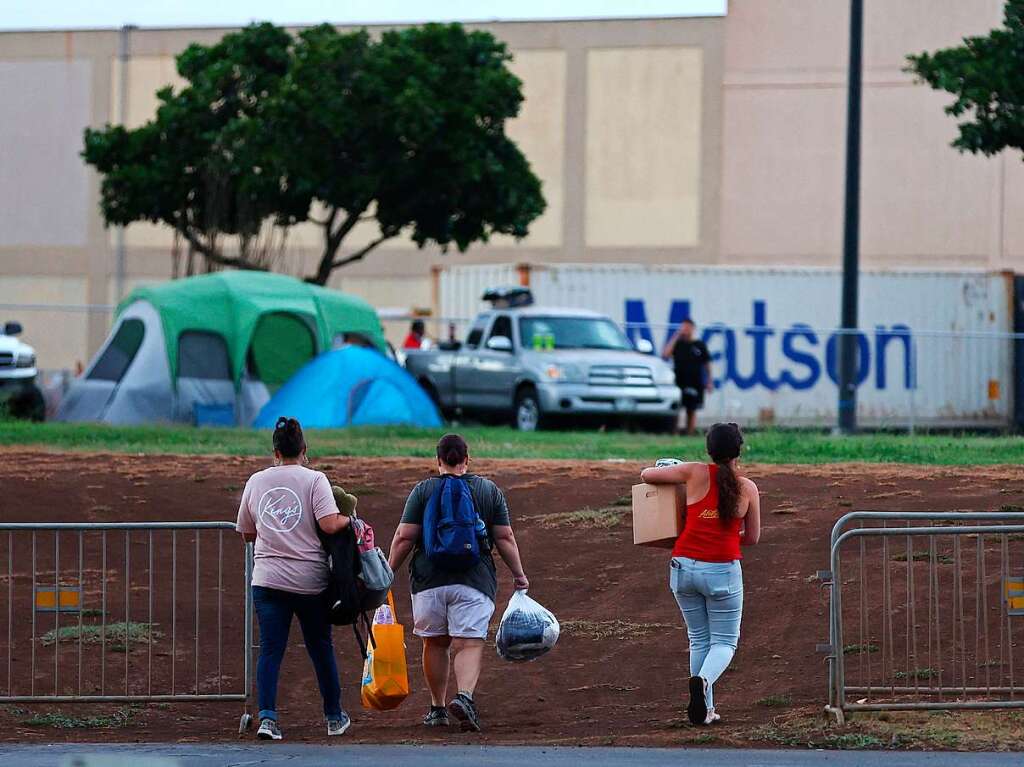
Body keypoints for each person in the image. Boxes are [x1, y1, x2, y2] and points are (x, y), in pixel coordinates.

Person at [387, 434, 529, 732]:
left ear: (438, 460)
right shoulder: (487, 490)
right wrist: (518, 573)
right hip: (474, 580)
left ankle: (437, 709)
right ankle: (464, 697)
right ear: (467, 460)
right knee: (469, 643)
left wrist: (387, 573)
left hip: (429, 580)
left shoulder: (424, 491)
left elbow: (403, 537)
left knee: (435, 642)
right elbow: (504, 537)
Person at [235, 417, 352, 741]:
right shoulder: (315, 480)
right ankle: (333, 716)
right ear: (304, 450)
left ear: (275, 451)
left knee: (271, 650)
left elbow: (246, 531)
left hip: (268, 579)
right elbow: (329, 524)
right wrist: (348, 518)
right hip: (309, 582)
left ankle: (268, 719)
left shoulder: (256, 481)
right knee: (320, 647)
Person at [639, 422, 761, 726]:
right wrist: (729, 536)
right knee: (724, 642)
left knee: (698, 639)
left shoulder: (693, 472)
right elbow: (753, 537)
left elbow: (646, 475)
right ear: (738, 451)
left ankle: (705, 709)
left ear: (709, 450)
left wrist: (675, 467)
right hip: (722, 569)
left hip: (683, 566)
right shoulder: (747, 488)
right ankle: (703, 682)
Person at [662, 319, 713, 436]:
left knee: (692, 409)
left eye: (687, 327)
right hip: (679, 381)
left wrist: (709, 380)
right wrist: (676, 336)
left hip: (695, 381)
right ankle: (674, 432)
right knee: (676, 408)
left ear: (692, 328)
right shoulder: (678, 344)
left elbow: (707, 363)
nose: (684, 330)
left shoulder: (699, 345)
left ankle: (689, 433)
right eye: (683, 327)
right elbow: (665, 355)